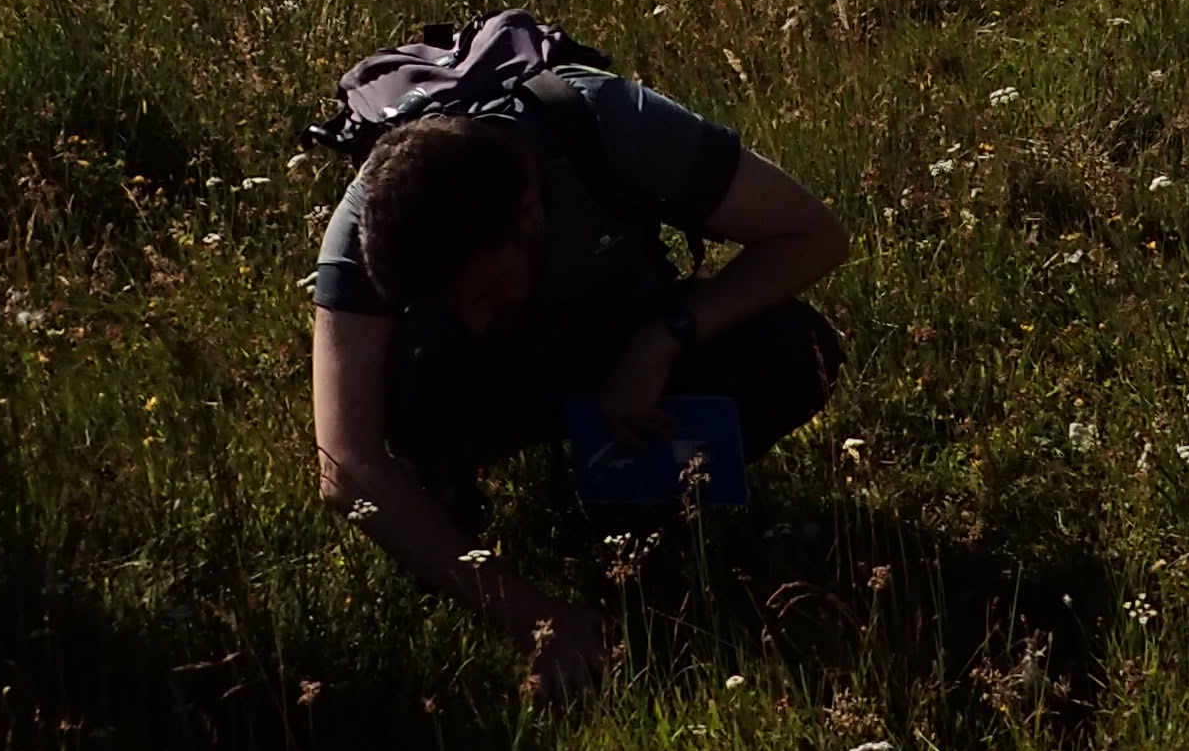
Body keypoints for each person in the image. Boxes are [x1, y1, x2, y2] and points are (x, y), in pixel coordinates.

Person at [310, 51, 849, 697]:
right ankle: (449, 501)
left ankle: (632, 500)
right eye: (451, 307)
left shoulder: (609, 123)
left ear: (530, 214)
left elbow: (815, 234)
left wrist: (661, 341)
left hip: (619, 333)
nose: (475, 322)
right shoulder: (370, 218)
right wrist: (537, 618)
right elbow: (345, 463)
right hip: (495, 383)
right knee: (426, 368)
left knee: (789, 349)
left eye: (488, 290)